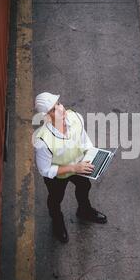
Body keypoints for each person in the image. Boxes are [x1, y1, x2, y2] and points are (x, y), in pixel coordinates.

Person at [33, 92, 108, 243]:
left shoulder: (76, 117)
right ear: (46, 116)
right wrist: (74, 168)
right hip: (58, 175)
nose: (61, 109)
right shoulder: (42, 141)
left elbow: (84, 140)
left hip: (79, 165)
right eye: (53, 110)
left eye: (59, 104)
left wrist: (91, 155)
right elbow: (44, 170)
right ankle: (57, 222)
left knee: (84, 186)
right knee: (55, 199)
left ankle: (84, 211)